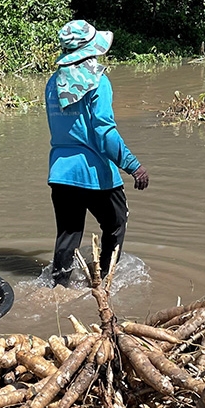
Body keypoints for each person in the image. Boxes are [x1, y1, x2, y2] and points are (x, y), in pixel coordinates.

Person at [45, 20, 149, 287]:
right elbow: (104, 133)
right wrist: (133, 166)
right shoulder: (99, 82)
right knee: (116, 222)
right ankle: (105, 280)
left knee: (68, 235)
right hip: (93, 173)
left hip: (61, 172)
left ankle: (58, 288)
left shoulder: (52, 83)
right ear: (92, 49)